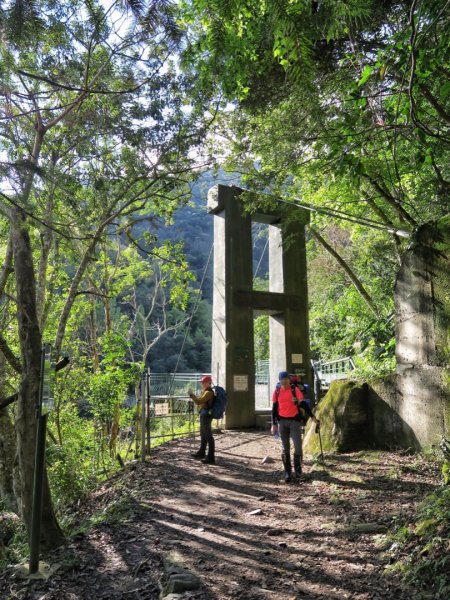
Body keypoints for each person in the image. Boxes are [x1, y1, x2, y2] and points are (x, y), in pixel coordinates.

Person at [271, 370, 320, 483]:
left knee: (298, 447)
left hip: (294, 421)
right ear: (280, 380)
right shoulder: (277, 391)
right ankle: (288, 473)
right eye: (282, 379)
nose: (284, 381)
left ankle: (298, 473)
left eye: (286, 379)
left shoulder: (294, 389)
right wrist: (273, 424)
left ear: (289, 379)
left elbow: (303, 404)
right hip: (282, 422)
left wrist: (312, 416)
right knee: (285, 448)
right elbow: (274, 408)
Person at [188, 375, 215, 464]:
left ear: (208, 383)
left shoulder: (209, 393)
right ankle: (201, 452)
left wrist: (191, 395)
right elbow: (200, 401)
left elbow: (199, 402)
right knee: (203, 435)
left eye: (203, 382)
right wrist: (195, 396)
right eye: (201, 382)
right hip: (204, 414)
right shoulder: (206, 391)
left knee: (208, 436)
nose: (202, 384)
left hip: (206, 415)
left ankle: (211, 457)